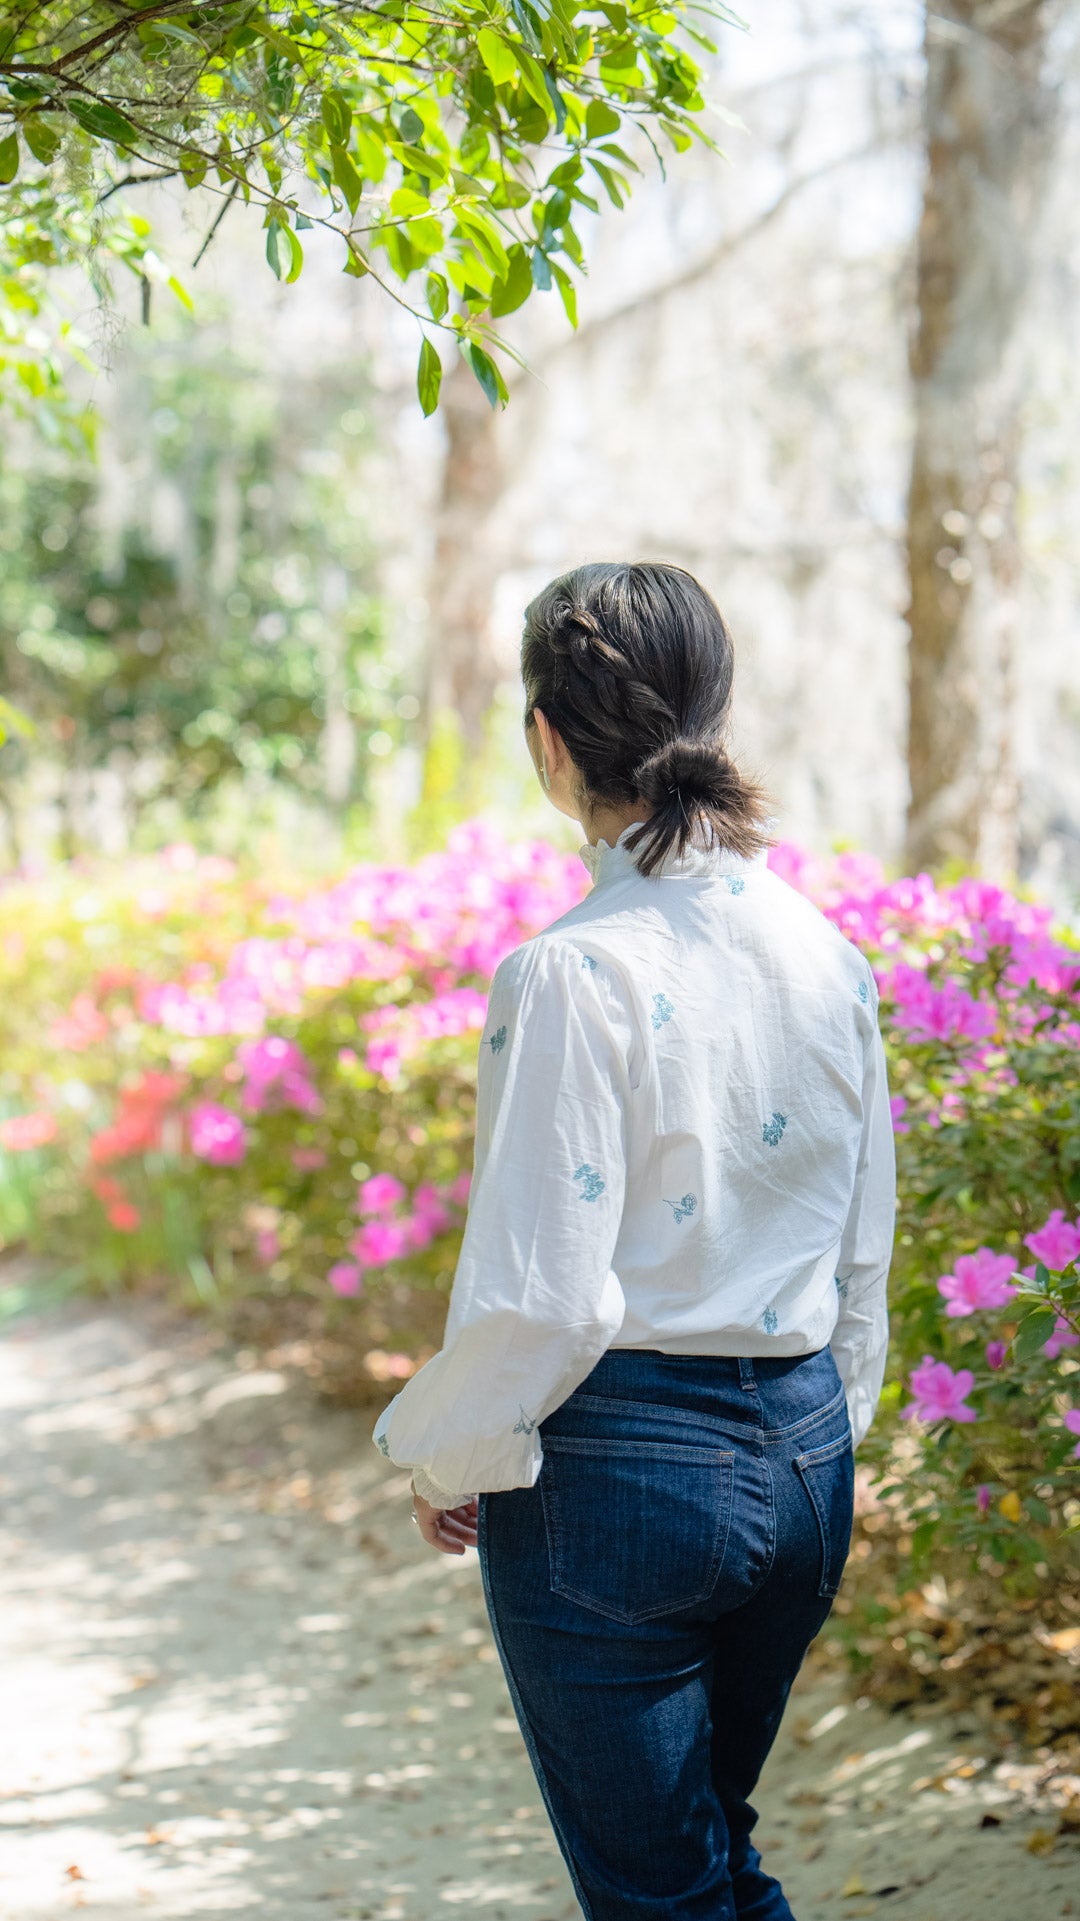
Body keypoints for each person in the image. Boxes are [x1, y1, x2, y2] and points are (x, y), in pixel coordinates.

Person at [371, 560, 896, 1921]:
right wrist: (819, 1441)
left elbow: (543, 1293)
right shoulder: (825, 952)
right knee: (708, 1856)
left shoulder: (573, 967)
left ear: (547, 740)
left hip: (622, 1476)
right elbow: (865, 1243)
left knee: (660, 1890)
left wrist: (452, 1447)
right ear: (712, 712)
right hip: (801, 1455)